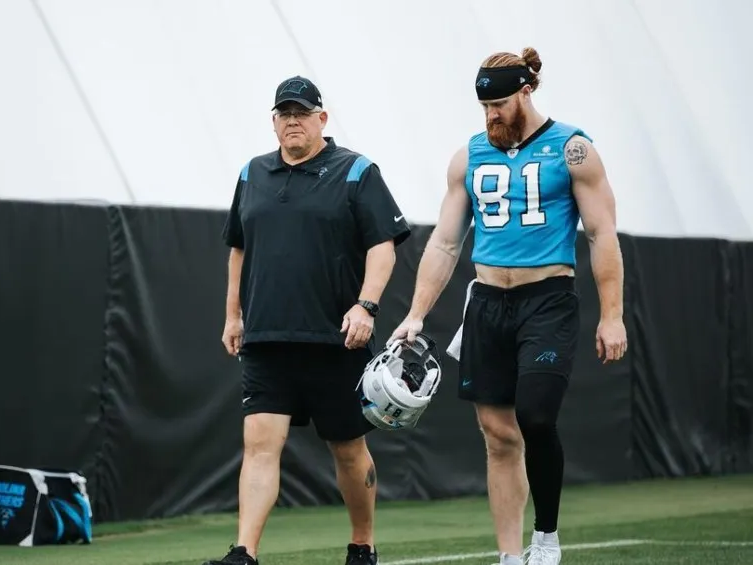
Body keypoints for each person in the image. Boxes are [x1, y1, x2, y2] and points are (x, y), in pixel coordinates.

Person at [388, 48, 628, 565]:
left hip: (547, 300)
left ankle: (545, 538)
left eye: (499, 103)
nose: (491, 115)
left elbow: (601, 232)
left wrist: (612, 314)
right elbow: (445, 243)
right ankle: (510, 556)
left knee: (536, 418)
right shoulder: (470, 155)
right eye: (484, 107)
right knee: (497, 436)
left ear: (526, 91)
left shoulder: (573, 149)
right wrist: (415, 314)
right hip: (488, 302)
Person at [204, 75, 412, 565]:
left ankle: (363, 544)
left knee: (347, 450)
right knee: (259, 444)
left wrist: (367, 305)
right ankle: (244, 553)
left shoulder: (357, 171)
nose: (292, 121)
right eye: (284, 113)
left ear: (322, 118)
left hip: (335, 341)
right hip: (267, 339)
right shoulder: (251, 174)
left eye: (302, 112)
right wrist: (233, 315)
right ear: (274, 122)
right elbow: (238, 249)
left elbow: (382, 247)